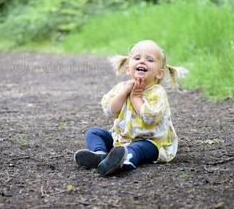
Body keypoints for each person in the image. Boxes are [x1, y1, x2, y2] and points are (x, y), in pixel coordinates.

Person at [74, 40, 182, 176]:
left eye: (150, 60)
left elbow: (150, 118)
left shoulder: (157, 93)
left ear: (159, 73)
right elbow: (110, 110)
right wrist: (123, 93)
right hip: (121, 139)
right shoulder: (122, 87)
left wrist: (136, 98)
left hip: (151, 141)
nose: (142, 61)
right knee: (94, 133)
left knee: (138, 148)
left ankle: (124, 162)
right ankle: (100, 155)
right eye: (137, 58)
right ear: (128, 68)